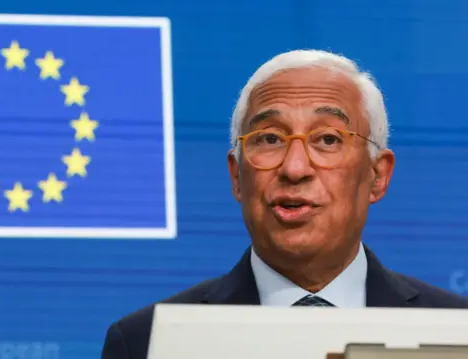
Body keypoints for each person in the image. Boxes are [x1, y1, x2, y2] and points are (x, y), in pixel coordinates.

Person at [100, 49, 468, 359]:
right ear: (236, 175)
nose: (294, 168)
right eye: (270, 138)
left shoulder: (456, 329)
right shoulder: (144, 343)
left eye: (327, 139)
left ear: (378, 175)